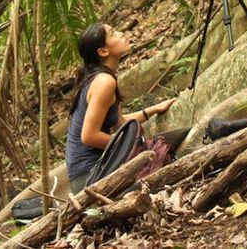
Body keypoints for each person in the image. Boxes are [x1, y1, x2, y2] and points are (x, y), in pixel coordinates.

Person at [65, 22, 175, 193]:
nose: (121, 33)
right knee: (165, 147)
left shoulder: (102, 78)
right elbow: (89, 136)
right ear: (103, 51)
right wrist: (134, 145)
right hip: (91, 177)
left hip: (92, 172)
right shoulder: (103, 82)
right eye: (113, 33)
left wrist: (153, 110)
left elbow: (120, 123)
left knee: (170, 141)